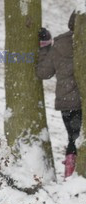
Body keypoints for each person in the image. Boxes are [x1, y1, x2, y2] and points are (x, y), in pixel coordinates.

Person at [37, 11, 82, 178]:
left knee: (74, 138)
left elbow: (43, 72)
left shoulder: (60, 43)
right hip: (80, 101)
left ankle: (71, 175)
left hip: (68, 102)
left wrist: (45, 47)